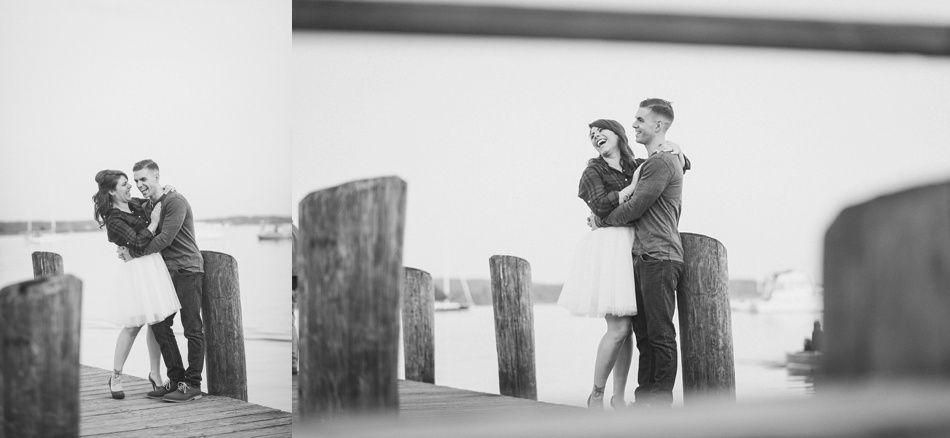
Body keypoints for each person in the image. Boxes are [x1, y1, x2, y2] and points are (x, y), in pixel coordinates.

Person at [559, 119, 687, 409]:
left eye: (600, 131)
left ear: (617, 133)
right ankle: (597, 394)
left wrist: (678, 149)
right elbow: (601, 206)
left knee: (631, 327)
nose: (595, 137)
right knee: (618, 328)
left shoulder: (636, 163)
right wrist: (630, 187)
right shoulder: (594, 170)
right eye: (591, 135)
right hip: (611, 248)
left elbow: (673, 166)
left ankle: (619, 398)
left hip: (636, 246)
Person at [602, 98, 686, 408]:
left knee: (660, 334)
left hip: (660, 255)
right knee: (646, 335)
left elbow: (637, 207)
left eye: (640, 120)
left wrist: (602, 220)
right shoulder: (655, 161)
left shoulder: (661, 163)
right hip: (644, 256)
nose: (634, 125)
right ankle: (644, 400)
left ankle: (658, 403)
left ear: (659, 126)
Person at [118, 159, 206, 403]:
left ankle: (193, 384)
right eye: (136, 181)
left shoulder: (175, 201)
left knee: (192, 328)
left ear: (157, 177)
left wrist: (133, 254)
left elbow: (166, 238)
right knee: (159, 324)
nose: (139, 184)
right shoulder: (148, 205)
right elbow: (123, 209)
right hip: (166, 273)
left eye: (143, 179)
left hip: (187, 269)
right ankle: (176, 380)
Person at [92, 170, 181, 400]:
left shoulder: (135, 204)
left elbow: (156, 200)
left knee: (157, 320)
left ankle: (155, 374)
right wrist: (152, 224)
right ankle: (116, 375)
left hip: (154, 266)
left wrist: (167, 189)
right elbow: (140, 242)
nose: (130, 187)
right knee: (133, 325)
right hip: (137, 271)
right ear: (112, 190)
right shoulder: (113, 219)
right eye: (124, 184)